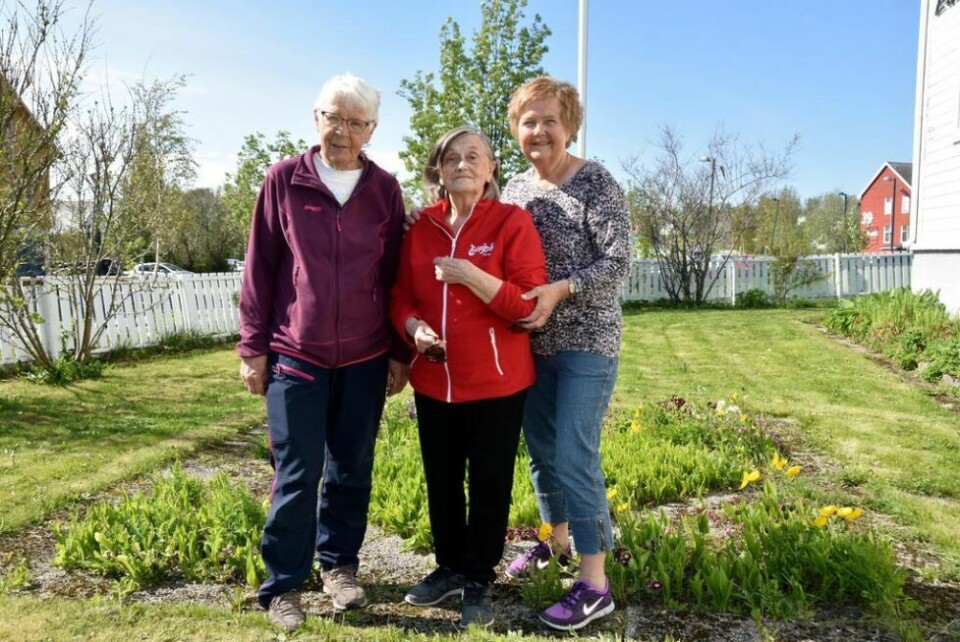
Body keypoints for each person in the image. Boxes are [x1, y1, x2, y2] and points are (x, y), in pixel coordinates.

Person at [237, 72, 410, 632]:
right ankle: (282, 586)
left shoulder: (384, 189)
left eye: (355, 122)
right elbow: (259, 269)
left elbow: (395, 277)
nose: (342, 130)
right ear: (316, 118)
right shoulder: (284, 180)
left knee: (352, 468)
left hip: (364, 356)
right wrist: (253, 346)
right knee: (295, 473)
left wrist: (398, 351)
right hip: (296, 354)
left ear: (371, 130)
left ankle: (340, 568)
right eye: (332, 117)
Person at [389, 126, 547, 628]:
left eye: (473, 156)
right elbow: (400, 298)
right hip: (435, 380)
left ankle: (479, 578)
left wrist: (469, 275)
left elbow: (525, 302)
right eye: (451, 157)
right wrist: (414, 331)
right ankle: (450, 567)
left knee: (490, 482)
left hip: (499, 382)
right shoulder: (419, 226)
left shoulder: (512, 222)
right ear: (437, 169)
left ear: (491, 168)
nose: (462, 164)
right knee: (440, 481)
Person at [500, 76, 632, 631]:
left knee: (576, 456)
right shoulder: (513, 190)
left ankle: (594, 584)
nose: (539, 131)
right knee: (542, 453)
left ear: (569, 125)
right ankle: (554, 543)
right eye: (528, 122)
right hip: (531, 342)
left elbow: (617, 263)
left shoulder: (596, 182)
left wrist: (562, 289)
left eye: (549, 120)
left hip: (587, 341)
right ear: (516, 130)